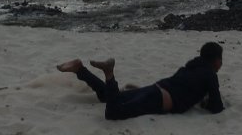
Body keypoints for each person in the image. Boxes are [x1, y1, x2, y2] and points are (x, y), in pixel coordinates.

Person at [57, 43, 226, 121]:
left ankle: (80, 69)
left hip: (155, 89)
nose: (221, 64)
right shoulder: (210, 74)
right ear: (216, 60)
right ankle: (109, 73)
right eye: (221, 60)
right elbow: (217, 108)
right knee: (113, 113)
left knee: (109, 97)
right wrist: (206, 103)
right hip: (159, 100)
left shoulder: (192, 66)